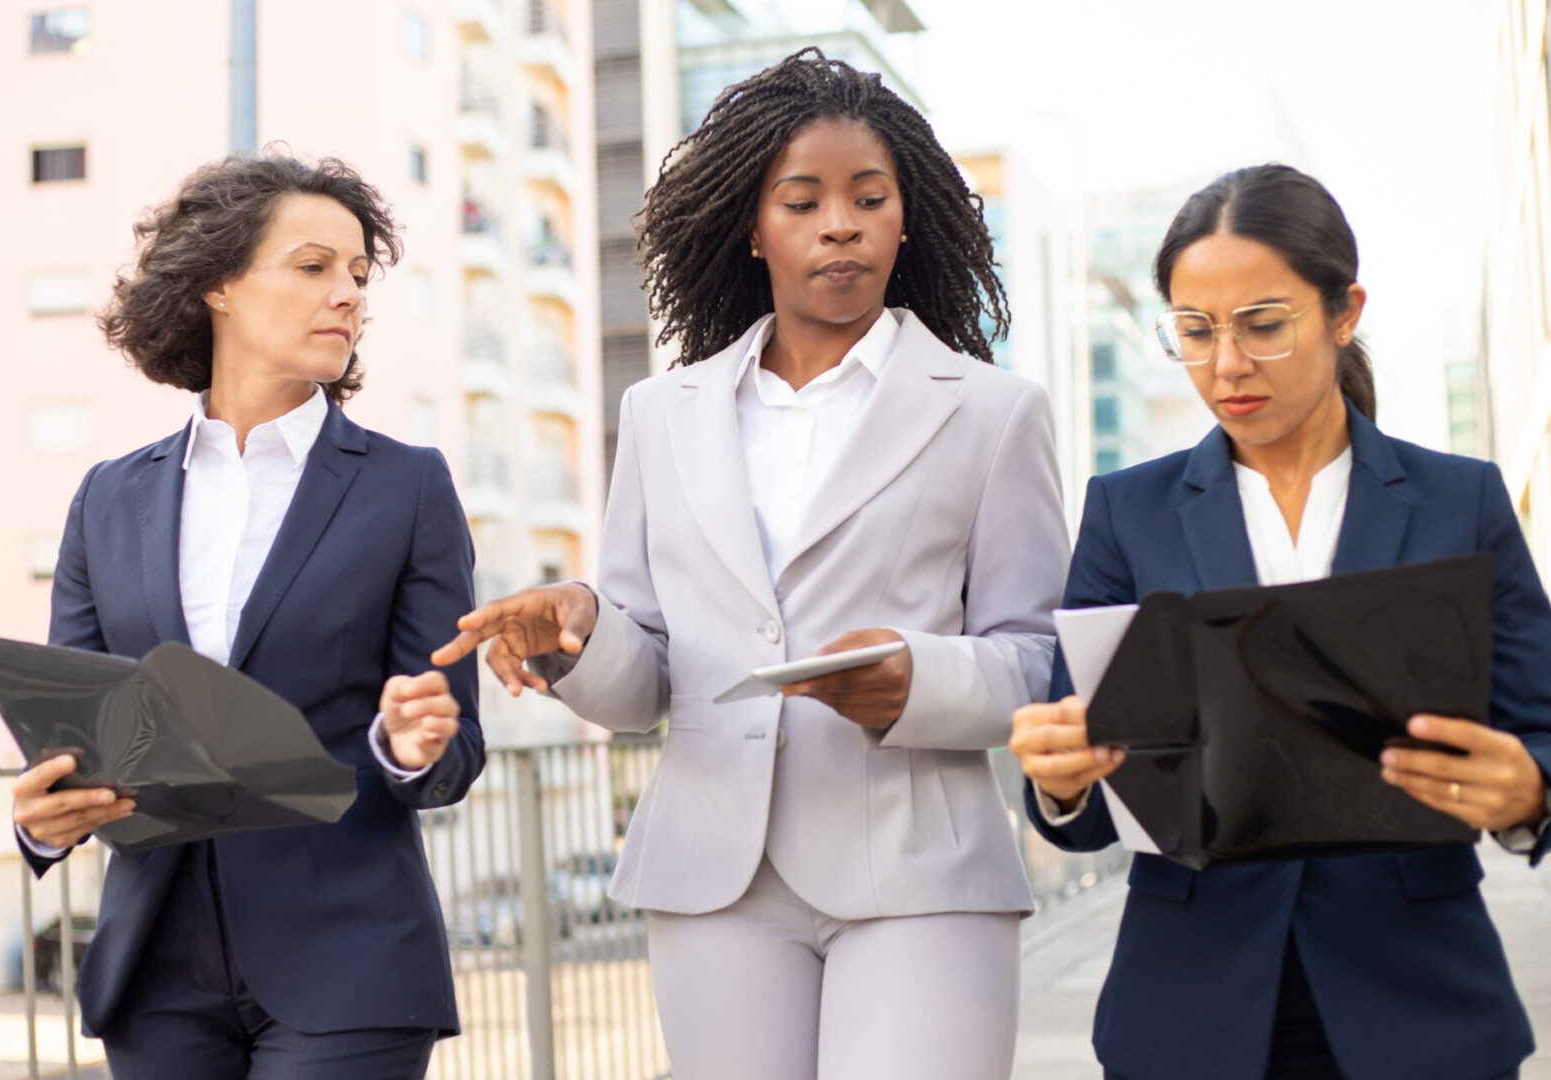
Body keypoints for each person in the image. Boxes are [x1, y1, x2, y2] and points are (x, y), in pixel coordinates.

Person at [432, 47, 1068, 1080]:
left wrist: (922, 678)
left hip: (920, 868)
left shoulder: (993, 413)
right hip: (712, 876)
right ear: (751, 222)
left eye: (870, 197)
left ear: (907, 219)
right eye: (802, 199)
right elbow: (645, 680)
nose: (840, 223)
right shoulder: (660, 415)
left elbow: (1039, 660)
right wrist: (576, 636)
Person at [1010, 163, 1551, 1080]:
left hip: (1420, 1004)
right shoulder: (1125, 514)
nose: (1227, 365)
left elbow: (1539, 728)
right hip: (1189, 1009)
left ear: (1344, 313)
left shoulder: (1460, 501)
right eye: (1195, 331)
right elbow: (1085, 802)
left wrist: (1531, 794)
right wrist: (1060, 782)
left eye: (1264, 326)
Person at [8, 153, 484, 1079]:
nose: (346, 293)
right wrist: (43, 818)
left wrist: (413, 746)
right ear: (217, 285)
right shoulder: (107, 500)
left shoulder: (407, 487)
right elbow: (79, 738)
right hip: (156, 974)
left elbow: (452, 749)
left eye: (356, 273)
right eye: (312, 267)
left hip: (348, 962)